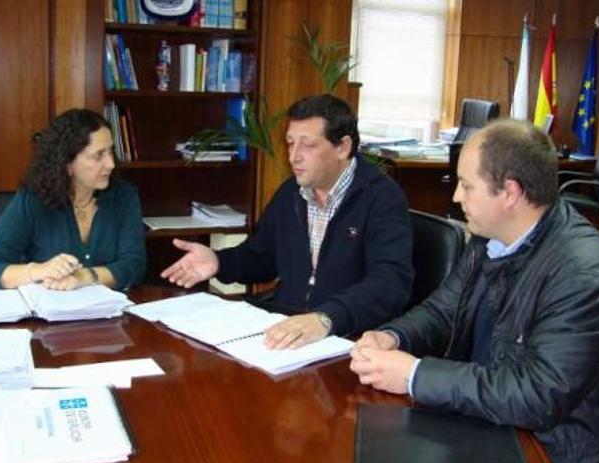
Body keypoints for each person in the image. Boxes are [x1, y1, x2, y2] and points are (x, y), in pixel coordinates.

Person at [350, 119, 599, 463]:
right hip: (488, 422)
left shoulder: (587, 279)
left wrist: (415, 375)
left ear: (509, 193)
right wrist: (393, 337)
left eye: (467, 186)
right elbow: (443, 310)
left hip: (557, 457)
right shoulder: (489, 239)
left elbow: (536, 395)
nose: (456, 197)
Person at [161, 94, 413, 349]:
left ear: (343, 147)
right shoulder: (291, 193)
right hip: (285, 326)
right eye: (290, 143)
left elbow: (389, 285)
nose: (294, 156)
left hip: (347, 336)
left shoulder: (382, 198)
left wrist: (326, 319)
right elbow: (261, 258)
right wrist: (218, 261)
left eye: (308, 145)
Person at [0, 108, 145, 291]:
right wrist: (40, 271)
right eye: (98, 155)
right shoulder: (32, 200)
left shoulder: (124, 196)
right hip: (49, 316)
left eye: (111, 152)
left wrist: (84, 277)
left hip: (111, 316)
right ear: (67, 162)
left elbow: (134, 266)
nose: (110, 163)